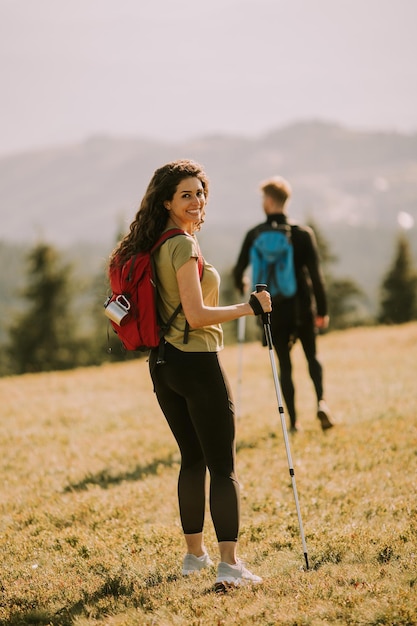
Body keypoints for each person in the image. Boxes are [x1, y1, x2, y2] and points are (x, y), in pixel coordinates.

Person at [109, 159, 271, 590]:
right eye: (186, 194)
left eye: (200, 193)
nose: (197, 201)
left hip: (163, 366)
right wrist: (248, 309)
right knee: (222, 466)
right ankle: (230, 565)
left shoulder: (154, 245)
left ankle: (194, 557)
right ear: (167, 201)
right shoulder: (182, 245)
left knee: (192, 459)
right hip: (197, 362)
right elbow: (197, 315)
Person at [232, 175, 334, 433]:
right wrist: (322, 310)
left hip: (271, 308)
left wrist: (243, 283)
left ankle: (293, 422)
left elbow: (237, 271)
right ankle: (321, 402)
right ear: (285, 201)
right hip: (302, 305)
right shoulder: (302, 234)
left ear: (268, 201)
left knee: (284, 365)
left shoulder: (255, 234)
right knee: (312, 356)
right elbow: (316, 276)